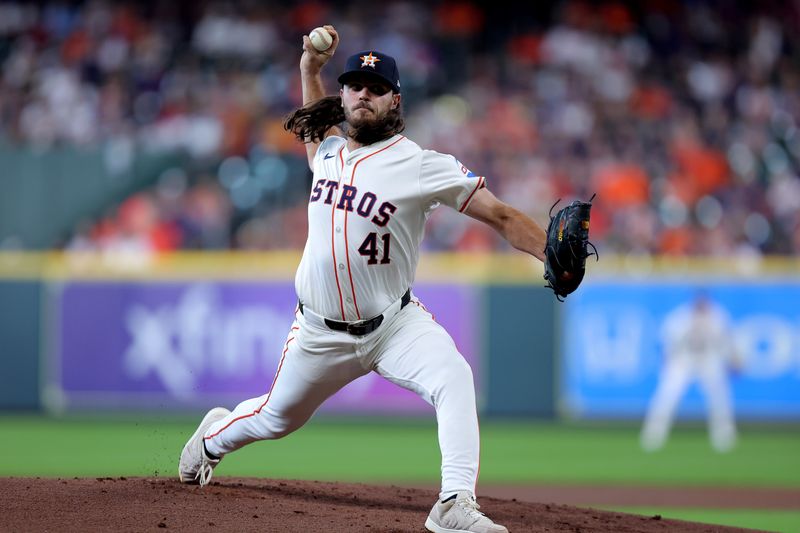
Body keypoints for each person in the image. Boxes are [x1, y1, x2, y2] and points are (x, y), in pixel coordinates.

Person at [179, 25, 548, 533]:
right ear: (344, 94)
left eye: (376, 89)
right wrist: (310, 67)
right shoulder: (326, 153)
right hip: (318, 332)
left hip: (394, 324)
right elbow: (313, 119)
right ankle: (210, 440)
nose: (363, 95)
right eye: (355, 86)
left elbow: (501, 215)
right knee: (275, 419)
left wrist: (550, 251)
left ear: (395, 99)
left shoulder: (422, 165)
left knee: (454, 377)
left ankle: (454, 503)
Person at [640, 292, 740, 453]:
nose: (701, 309)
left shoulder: (718, 316)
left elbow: (728, 342)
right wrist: (667, 363)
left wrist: (734, 361)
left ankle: (724, 436)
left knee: (720, 397)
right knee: (667, 396)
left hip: (708, 359)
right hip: (683, 360)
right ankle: (653, 435)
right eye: (699, 306)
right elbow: (668, 342)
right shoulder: (680, 318)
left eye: (704, 305)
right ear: (694, 305)